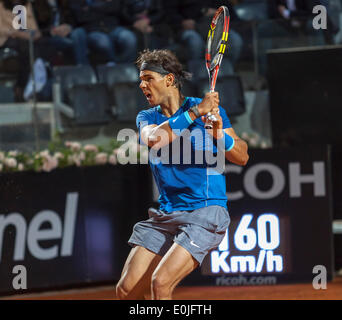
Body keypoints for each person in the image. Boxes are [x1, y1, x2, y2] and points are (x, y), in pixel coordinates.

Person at [115, 49, 249, 300]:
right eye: (140, 79)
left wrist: (219, 133)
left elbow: (241, 156)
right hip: (167, 214)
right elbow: (155, 139)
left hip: (206, 212)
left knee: (161, 283)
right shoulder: (147, 117)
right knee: (126, 290)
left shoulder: (207, 112)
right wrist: (195, 113)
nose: (141, 84)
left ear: (168, 80)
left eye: (148, 78)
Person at [69, 0, 137, 64]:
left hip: (112, 27)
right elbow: (80, 17)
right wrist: (105, 6)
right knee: (103, 42)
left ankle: (126, 69)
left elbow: (116, 6)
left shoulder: (88, 5)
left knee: (129, 38)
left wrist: (91, 8)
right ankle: (113, 65)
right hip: (92, 30)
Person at [32, 0, 89, 65]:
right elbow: (35, 30)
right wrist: (51, 32)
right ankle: (81, 68)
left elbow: (74, 21)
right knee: (74, 43)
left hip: (68, 34)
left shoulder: (64, 4)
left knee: (79, 32)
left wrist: (69, 27)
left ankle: (83, 67)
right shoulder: (35, 6)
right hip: (49, 37)